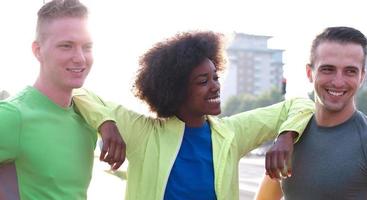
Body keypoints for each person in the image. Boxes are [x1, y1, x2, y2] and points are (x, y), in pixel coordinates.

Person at [72, 30, 314, 200]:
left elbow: (302, 104)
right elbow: (78, 92)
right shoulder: (144, 133)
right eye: (203, 81)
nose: (215, 86)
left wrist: (286, 136)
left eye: (215, 77)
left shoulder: (232, 133)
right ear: (176, 89)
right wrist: (106, 123)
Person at [0, 0, 125, 199]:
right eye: (66, 46)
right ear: (38, 50)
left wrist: (106, 121)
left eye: (87, 47)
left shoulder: (87, 116)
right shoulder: (12, 116)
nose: (80, 58)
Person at [259, 26, 367, 200]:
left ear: (361, 77)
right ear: (310, 73)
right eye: (328, 69)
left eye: (350, 71)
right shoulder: (291, 137)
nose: (338, 82)